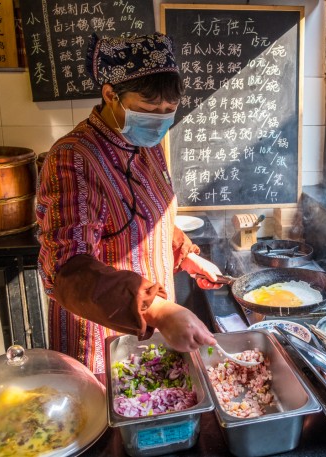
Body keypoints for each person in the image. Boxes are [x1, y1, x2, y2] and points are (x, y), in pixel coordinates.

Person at [36, 32, 222, 374]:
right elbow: (67, 269)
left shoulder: (147, 146)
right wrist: (156, 309)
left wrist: (187, 255)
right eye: (148, 110)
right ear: (110, 95)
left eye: (168, 112)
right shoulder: (73, 159)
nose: (159, 122)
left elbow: (150, 218)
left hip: (155, 318)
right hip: (102, 329)